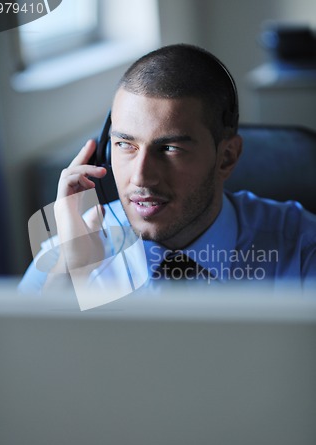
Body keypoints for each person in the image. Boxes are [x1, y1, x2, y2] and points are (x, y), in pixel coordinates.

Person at [19, 44, 316, 300]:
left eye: (170, 149)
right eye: (125, 145)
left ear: (226, 158)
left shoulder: (302, 249)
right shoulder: (70, 251)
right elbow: (19, 362)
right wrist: (70, 272)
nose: (140, 178)